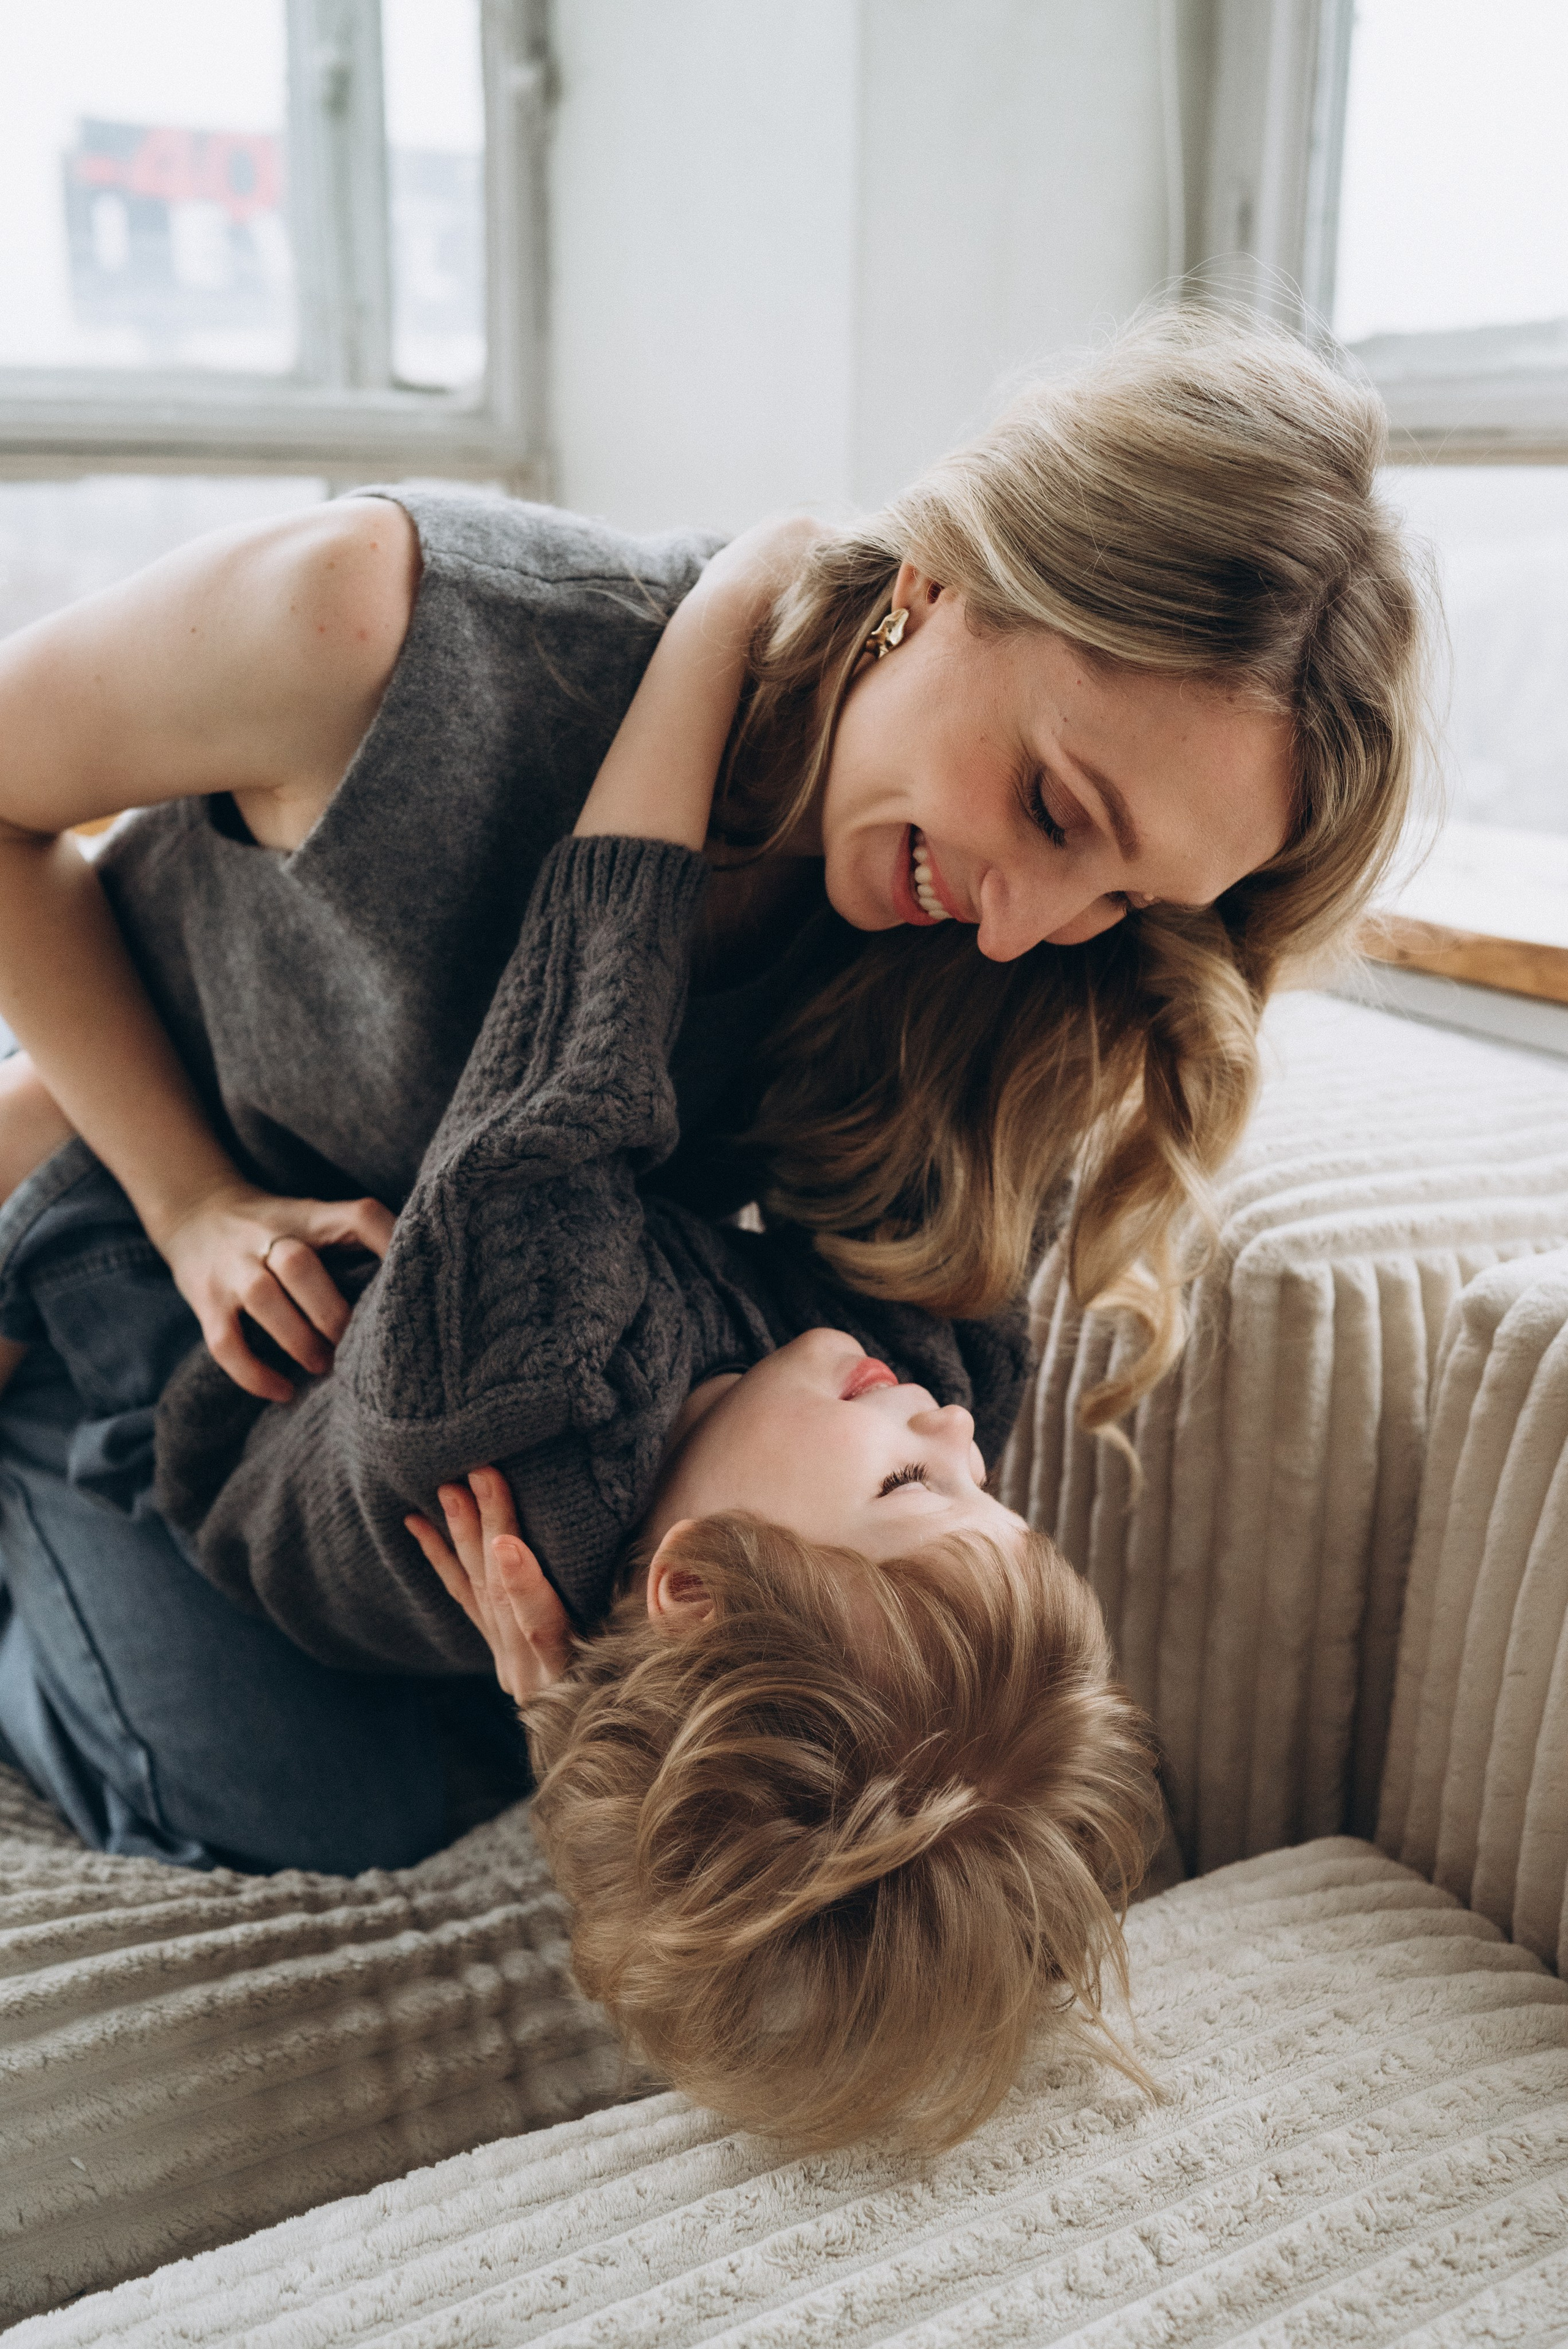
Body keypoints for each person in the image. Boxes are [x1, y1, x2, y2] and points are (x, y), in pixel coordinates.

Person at [0, 310, 1430, 1454]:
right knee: (247, 1785)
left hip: (359, 1372)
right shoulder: (382, 618)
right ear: (934, 583)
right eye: (1051, 809)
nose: (1020, 929)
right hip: (121, 1204)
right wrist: (189, 1198)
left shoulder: (1007, 965)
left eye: (1129, 898)